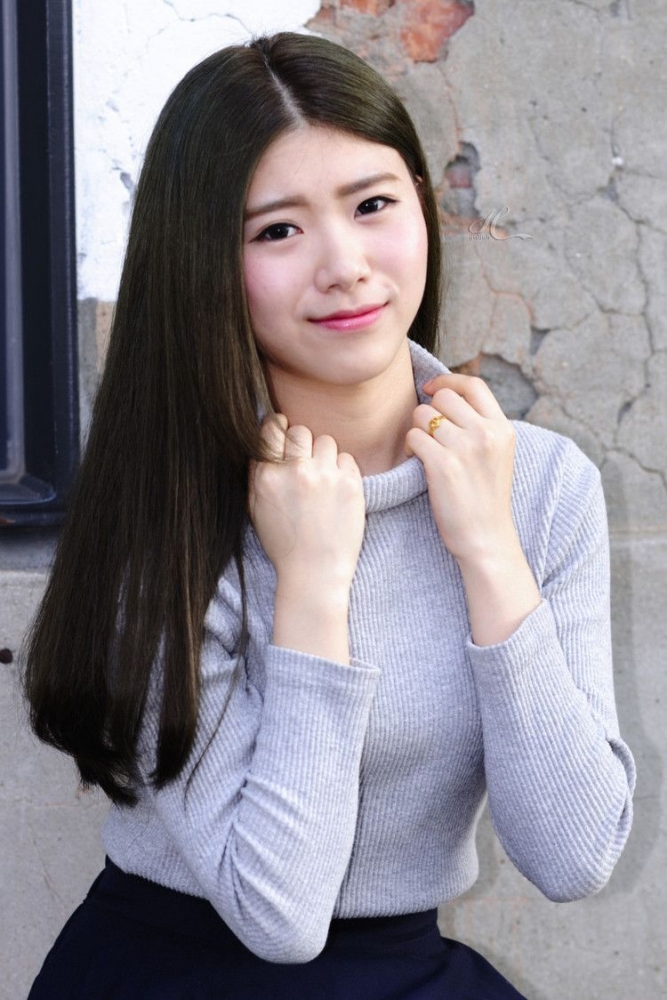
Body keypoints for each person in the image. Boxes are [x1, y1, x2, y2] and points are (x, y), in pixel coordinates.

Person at [24, 31, 635, 1000]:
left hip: (403, 967)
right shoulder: (170, 508)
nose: (345, 265)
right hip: (173, 973)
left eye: (372, 205)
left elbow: (573, 856)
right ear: (203, 264)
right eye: (277, 231)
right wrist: (311, 585)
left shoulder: (541, 486)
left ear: (422, 207)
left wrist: (488, 547)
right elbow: (277, 917)